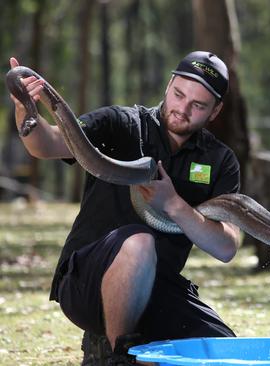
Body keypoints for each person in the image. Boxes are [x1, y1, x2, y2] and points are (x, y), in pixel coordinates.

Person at [8, 51, 241, 365]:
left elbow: (226, 247)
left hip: (157, 288)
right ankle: (117, 355)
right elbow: (47, 144)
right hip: (84, 283)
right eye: (179, 94)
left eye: (197, 105)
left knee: (226, 353)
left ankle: (120, 346)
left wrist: (173, 204)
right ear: (169, 84)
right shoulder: (120, 124)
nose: (182, 109)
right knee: (139, 242)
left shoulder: (219, 160)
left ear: (215, 111)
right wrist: (26, 110)